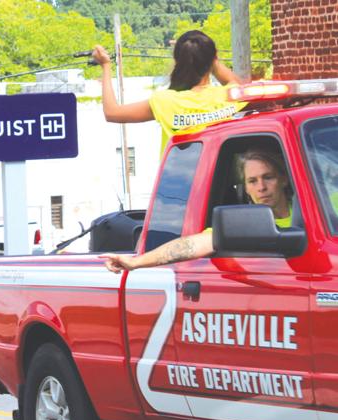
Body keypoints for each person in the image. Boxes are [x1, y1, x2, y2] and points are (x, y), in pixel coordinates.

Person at [102, 149, 291, 272]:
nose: (261, 187)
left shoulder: (313, 214)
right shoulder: (244, 223)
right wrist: (136, 263)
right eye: (252, 181)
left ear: (284, 179)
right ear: (246, 189)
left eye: (268, 177)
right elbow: (192, 245)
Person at [92, 30, 246, 152]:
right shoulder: (229, 97)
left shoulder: (165, 101)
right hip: (221, 188)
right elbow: (239, 85)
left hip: (177, 189)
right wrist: (213, 59)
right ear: (214, 59)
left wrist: (105, 65)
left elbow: (112, 112)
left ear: (177, 61)